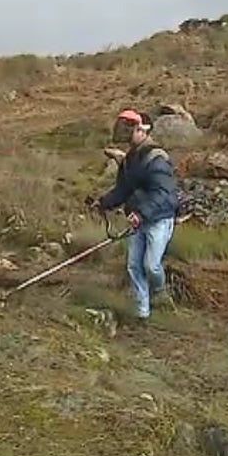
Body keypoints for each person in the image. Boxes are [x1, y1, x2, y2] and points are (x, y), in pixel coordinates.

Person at [86, 109, 179, 323]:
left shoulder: (157, 159)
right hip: (138, 220)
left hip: (159, 219)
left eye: (132, 129)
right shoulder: (129, 161)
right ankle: (141, 312)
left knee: (151, 265)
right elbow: (123, 190)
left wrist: (142, 213)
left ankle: (160, 293)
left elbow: (162, 192)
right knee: (134, 265)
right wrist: (103, 202)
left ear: (143, 131)